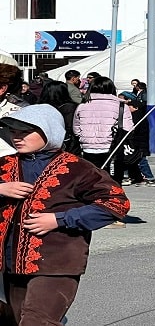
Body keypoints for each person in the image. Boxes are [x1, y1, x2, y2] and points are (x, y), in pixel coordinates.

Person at [0, 105, 130, 325]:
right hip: (10, 264)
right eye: (13, 131)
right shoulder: (4, 165)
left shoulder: (78, 169)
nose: (17, 137)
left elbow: (116, 204)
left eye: (25, 131)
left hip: (56, 262)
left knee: (37, 321)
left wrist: (58, 219)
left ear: (48, 131)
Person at [73, 76, 134, 179]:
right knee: (111, 182)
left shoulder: (82, 105)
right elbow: (128, 129)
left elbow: (76, 129)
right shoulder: (121, 106)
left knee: (91, 180)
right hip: (111, 148)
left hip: (87, 148)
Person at [39, 80, 81, 156]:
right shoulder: (70, 107)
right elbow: (70, 127)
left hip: (44, 144)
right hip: (67, 145)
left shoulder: (40, 107)